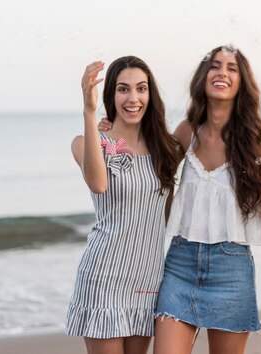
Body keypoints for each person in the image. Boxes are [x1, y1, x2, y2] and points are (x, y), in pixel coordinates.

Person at [153, 45, 261, 354]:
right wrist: (113, 134)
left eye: (231, 68)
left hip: (231, 268)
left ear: (242, 82)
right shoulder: (186, 131)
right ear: (204, 76)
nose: (222, 72)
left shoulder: (257, 138)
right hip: (180, 264)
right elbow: (153, 172)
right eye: (215, 66)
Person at [66, 56, 181, 354]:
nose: (133, 98)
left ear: (150, 95)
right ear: (110, 96)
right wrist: (89, 112)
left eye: (141, 89)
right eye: (123, 89)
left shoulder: (165, 148)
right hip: (104, 276)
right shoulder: (86, 142)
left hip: (147, 279)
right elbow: (98, 184)